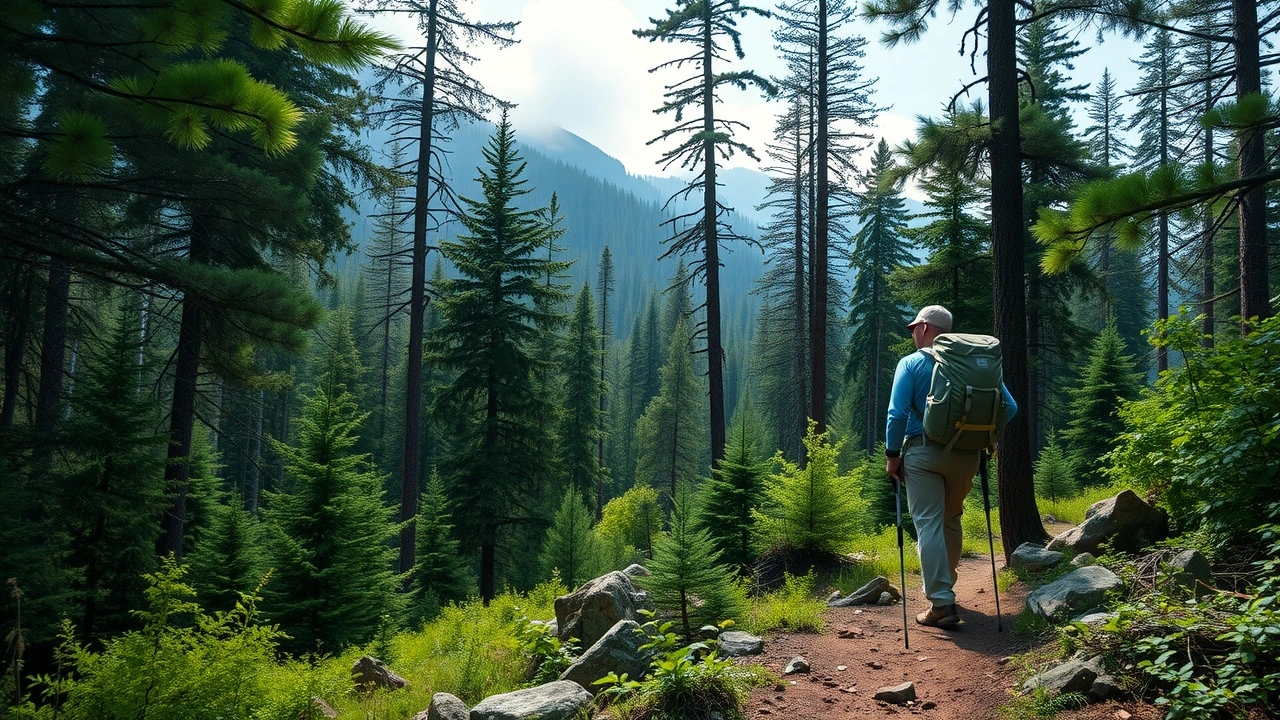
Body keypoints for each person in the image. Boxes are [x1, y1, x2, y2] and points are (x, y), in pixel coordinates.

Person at [884, 305, 1017, 628]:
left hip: (923, 455)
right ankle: (947, 589)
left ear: (927, 328)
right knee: (950, 520)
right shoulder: (974, 365)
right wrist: (988, 437)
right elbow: (1010, 407)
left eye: (915, 327)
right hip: (968, 454)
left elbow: (896, 414)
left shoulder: (912, 363)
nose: (913, 332)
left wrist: (892, 455)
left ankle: (941, 604)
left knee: (928, 524)